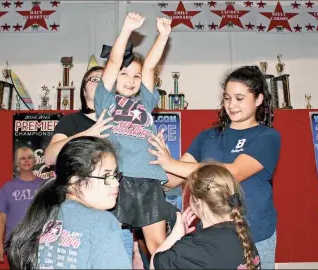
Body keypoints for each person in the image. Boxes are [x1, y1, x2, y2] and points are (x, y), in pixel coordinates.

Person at [148, 65, 281, 269]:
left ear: (259, 100)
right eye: (227, 98)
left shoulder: (267, 137)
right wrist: (148, 164)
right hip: (210, 236)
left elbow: (233, 172)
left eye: (239, 98)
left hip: (256, 233)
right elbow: (174, 178)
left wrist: (171, 162)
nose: (231, 105)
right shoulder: (208, 136)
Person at [94, 13, 172, 255]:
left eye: (135, 76)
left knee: (157, 246)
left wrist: (163, 36)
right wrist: (127, 28)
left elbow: (150, 65)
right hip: (117, 179)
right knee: (110, 244)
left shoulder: (146, 101)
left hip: (148, 179)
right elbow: (115, 61)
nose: (130, 80)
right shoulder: (105, 99)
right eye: (124, 74)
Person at [44, 66, 134, 260]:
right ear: (84, 91)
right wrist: (88, 133)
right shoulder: (72, 121)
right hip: (76, 223)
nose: (100, 82)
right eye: (94, 79)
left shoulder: (124, 121)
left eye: (106, 79)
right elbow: (49, 156)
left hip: (118, 221)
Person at [6, 137, 132, 269]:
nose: (116, 183)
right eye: (107, 176)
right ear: (76, 181)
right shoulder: (102, 223)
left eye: (115, 175)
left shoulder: (45, 216)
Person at [151, 163, 261, 269]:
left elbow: (154, 265)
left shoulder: (195, 248)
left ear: (197, 201)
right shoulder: (243, 235)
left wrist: (175, 235)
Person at [0, 147, 43, 264]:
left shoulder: (43, 186)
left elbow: (50, 214)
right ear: (17, 163)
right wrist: (0, 246)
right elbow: (1, 219)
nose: (26, 161)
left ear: (35, 161)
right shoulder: (7, 187)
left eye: (29, 158)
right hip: (14, 242)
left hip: (37, 242)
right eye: (22, 158)